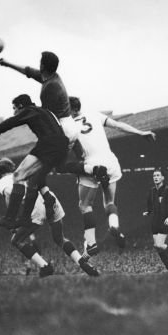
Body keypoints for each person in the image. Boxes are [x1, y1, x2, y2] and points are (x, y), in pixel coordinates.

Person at [63, 96, 156, 255]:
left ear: (69, 109)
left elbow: (70, 149)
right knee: (109, 202)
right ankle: (114, 225)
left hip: (91, 165)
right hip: (110, 162)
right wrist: (140, 132)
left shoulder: (68, 125)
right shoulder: (94, 114)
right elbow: (118, 125)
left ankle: (91, 243)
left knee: (85, 205)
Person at [0, 157, 98, 277]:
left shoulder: (1, 182)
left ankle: (45, 266)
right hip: (48, 197)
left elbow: (9, 195)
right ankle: (83, 264)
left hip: (34, 205)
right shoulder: (23, 172)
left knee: (17, 240)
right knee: (60, 238)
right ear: (12, 168)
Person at [0, 93, 70, 231]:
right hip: (62, 146)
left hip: (49, 145)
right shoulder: (45, 111)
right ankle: (28, 216)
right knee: (33, 180)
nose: (14, 112)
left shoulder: (30, 111)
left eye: (14, 108)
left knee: (18, 176)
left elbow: (12, 121)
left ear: (20, 106)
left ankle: (10, 219)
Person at [0, 50, 80, 148]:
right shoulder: (52, 76)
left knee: (47, 154)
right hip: (68, 126)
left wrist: (22, 115)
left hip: (64, 130)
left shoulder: (51, 86)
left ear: (42, 66)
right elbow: (28, 71)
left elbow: (47, 115)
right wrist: (7, 64)